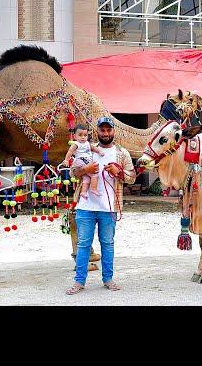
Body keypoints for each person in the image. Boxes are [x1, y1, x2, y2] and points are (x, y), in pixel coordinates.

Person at [65, 116, 136, 295]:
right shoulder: (86, 148)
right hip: (85, 206)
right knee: (83, 245)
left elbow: (132, 177)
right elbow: (74, 173)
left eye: (108, 130)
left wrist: (118, 171)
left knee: (107, 244)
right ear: (97, 131)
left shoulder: (122, 153)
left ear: (113, 131)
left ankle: (108, 279)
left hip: (109, 208)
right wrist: (85, 170)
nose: (105, 133)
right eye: (102, 130)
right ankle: (79, 281)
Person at [60, 124, 104, 199]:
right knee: (95, 174)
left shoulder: (87, 143)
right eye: (80, 135)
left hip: (84, 162)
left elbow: (93, 148)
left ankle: (83, 192)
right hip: (82, 161)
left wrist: (99, 151)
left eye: (85, 135)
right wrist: (66, 160)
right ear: (75, 136)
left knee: (86, 178)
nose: (83, 137)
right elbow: (70, 151)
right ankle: (94, 188)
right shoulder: (76, 144)